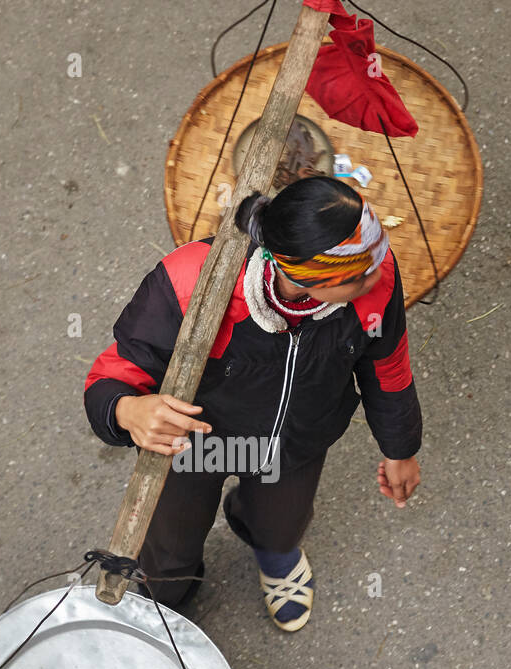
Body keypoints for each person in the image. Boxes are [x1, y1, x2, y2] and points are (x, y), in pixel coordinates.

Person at [84, 175, 422, 631]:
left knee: (281, 525)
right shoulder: (191, 280)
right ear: (303, 276)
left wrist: (400, 447)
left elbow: (388, 366)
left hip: (294, 446)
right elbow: (113, 373)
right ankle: (163, 602)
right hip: (195, 445)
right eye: (359, 275)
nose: (379, 276)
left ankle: (270, 548)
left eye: (377, 261)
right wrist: (127, 410)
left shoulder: (373, 283)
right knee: (168, 543)